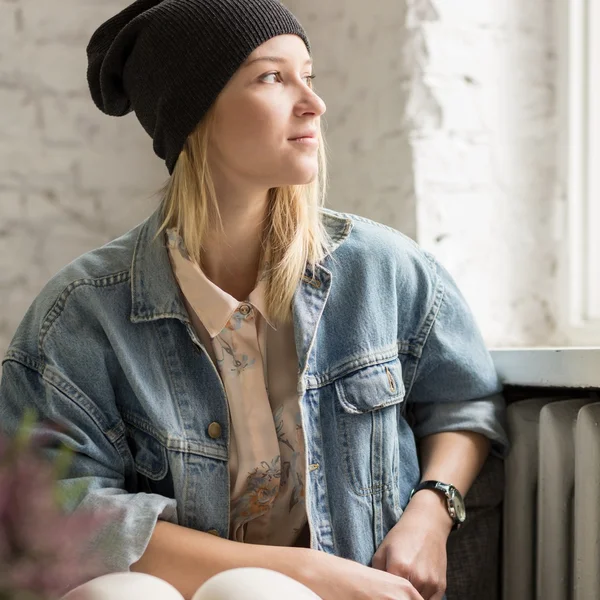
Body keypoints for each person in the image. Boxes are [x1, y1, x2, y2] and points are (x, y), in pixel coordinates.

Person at [0, 0, 509, 599]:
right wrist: (309, 572)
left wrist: (432, 511)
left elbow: (464, 403)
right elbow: (57, 508)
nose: (313, 103)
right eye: (273, 77)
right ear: (193, 113)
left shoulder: (381, 269)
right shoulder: (82, 314)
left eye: (308, 77)